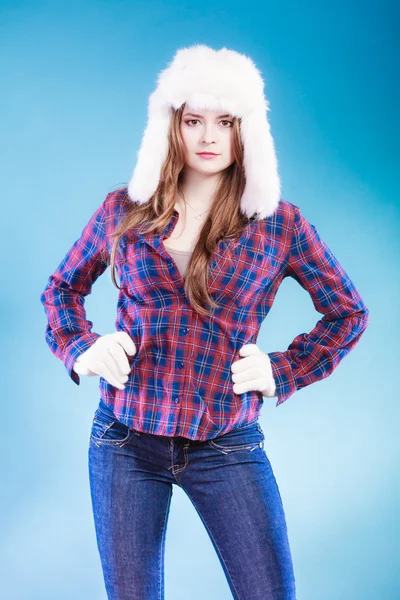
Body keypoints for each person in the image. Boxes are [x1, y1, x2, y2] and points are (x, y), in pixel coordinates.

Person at [39, 44, 369, 600]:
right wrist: (80, 347)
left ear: (248, 133)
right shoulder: (123, 209)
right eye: (194, 121)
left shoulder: (278, 224)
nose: (209, 137)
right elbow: (62, 289)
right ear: (172, 126)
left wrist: (283, 372)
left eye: (226, 123)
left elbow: (347, 311)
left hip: (226, 440)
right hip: (124, 438)